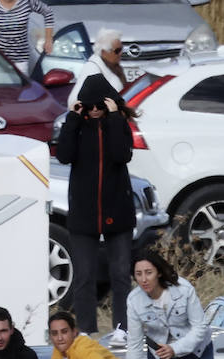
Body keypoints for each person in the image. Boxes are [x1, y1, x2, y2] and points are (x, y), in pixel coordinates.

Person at [55, 70, 135, 334]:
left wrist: (113, 117)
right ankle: (87, 331)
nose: (95, 111)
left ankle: (122, 329)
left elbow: (121, 154)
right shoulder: (77, 126)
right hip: (84, 213)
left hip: (117, 210)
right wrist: (73, 120)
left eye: (100, 105)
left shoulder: (118, 123)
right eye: (91, 106)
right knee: (84, 277)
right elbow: (64, 155)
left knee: (121, 275)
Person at [126, 250, 213, 359]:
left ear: (158, 272)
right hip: (160, 355)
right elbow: (134, 344)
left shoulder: (183, 289)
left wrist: (175, 349)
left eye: (148, 273)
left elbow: (200, 327)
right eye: (138, 274)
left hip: (196, 351)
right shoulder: (134, 300)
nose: (144, 279)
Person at [65, 27, 124, 108]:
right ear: (104, 52)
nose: (121, 54)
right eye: (117, 51)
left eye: (121, 49)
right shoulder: (93, 70)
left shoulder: (111, 67)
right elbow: (78, 102)